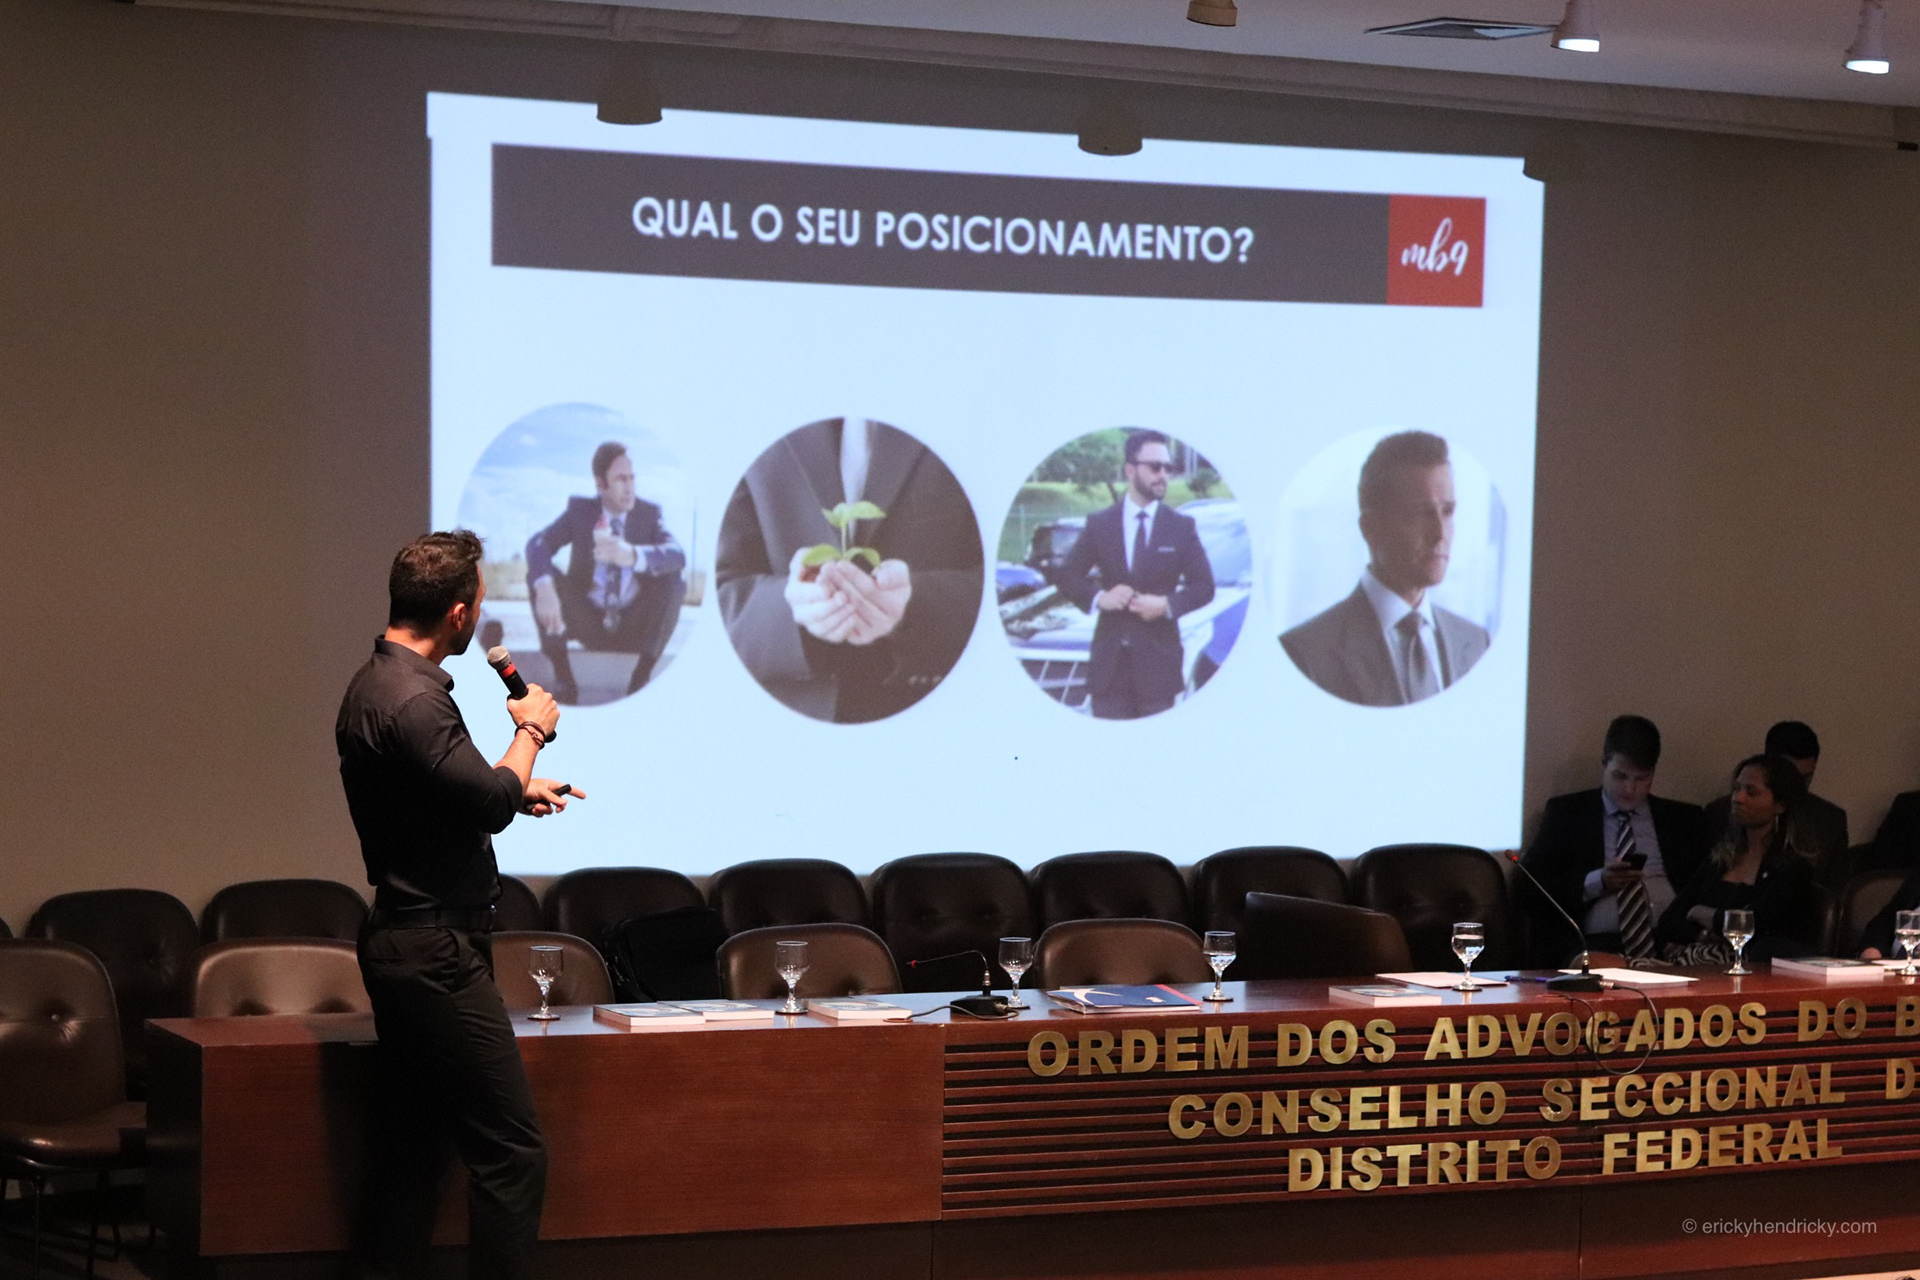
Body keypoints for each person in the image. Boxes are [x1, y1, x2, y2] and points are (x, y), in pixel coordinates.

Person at [336, 530, 580, 1280]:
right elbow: (488, 803)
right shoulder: (414, 700)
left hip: (406, 940)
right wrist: (530, 731)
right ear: (459, 613)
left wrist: (514, 785)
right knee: (511, 1151)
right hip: (435, 951)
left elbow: (452, 794)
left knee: (414, 1150)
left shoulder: (377, 685)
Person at [714, 417, 983, 724]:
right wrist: (794, 608)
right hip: (783, 714)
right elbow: (722, 593)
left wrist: (917, 606)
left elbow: (999, 583)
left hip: (934, 708)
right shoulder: (749, 422)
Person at [1280, 430, 1489, 707]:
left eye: (1448, 511)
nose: (1440, 534)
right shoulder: (1306, 654)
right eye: (1420, 514)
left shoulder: (1477, 642)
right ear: (1371, 528)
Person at [1520, 715, 1712, 963]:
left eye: (1641, 778)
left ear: (1653, 772)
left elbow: (1707, 887)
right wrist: (1597, 882)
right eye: (1620, 776)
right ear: (1604, 764)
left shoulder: (1684, 819)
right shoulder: (1568, 813)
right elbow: (1530, 887)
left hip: (1671, 943)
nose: (1630, 789)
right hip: (1596, 944)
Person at [1054, 430, 1215, 719]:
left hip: (1158, 670)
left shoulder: (1180, 527)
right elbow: (1068, 575)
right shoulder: (1101, 524)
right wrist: (1099, 598)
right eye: (1155, 467)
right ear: (1130, 470)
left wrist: (1166, 605)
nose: (1163, 475)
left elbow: (1204, 587)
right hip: (1109, 671)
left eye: (1168, 468)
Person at [525, 441, 686, 704]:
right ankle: (564, 679)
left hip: (634, 624)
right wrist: (544, 587)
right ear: (601, 484)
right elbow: (539, 543)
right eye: (621, 479)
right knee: (541, 575)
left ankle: (641, 678)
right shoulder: (580, 512)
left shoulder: (648, 514)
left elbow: (677, 554)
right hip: (587, 620)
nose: (629, 486)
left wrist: (632, 555)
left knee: (675, 579)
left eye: (632, 478)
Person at [1656, 755, 1817, 964]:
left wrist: (1700, 913)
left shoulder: (1792, 867)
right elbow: (1669, 921)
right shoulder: (1722, 856)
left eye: (1751, 792)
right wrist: (1707, 934)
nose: (1738, 798)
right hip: (1696, 960)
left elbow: (1755, 926)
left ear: (1780, 804)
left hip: (1753, 968)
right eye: (1737, 789)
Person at [1702, 721, 1849, 883]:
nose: (1798, 786)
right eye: (1791, 776)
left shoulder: (1830, 821)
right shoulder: (1722, 812)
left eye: (1806, 777)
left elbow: (1836, 887)